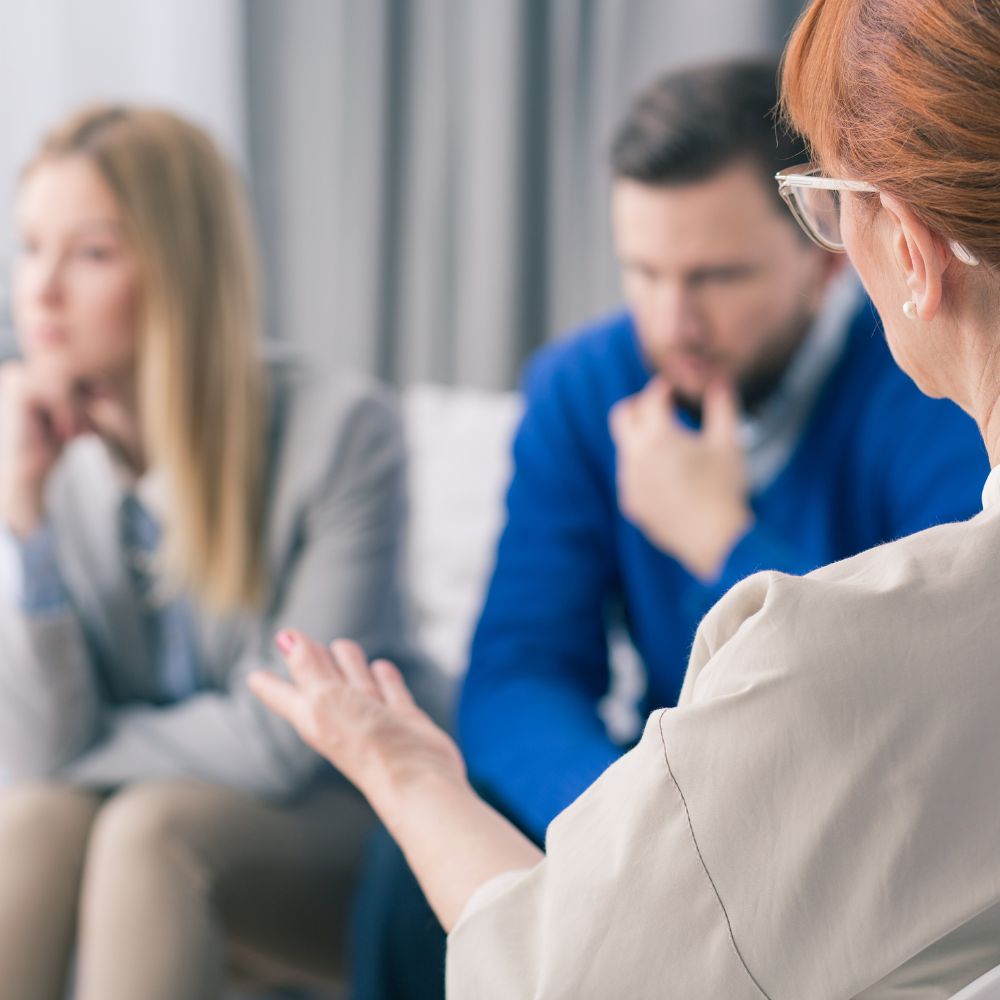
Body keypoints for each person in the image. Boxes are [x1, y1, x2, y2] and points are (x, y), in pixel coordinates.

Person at [252, 1, 1000, 995]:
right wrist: (634, 831)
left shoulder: (925, 387)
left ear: (830, 258)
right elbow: (518, 673)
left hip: (832, 806)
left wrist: (724, 539)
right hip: (671, 788)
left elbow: (902, 680)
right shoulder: (584, 388)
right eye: (643, 273)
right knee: (404, 878)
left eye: (715, 277)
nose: (672, 320)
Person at [0, 105, 429, 1000]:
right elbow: (36, 751)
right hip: (155, 798)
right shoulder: (40, 452)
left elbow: (283, 739)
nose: (39, 290)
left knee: (149, 830)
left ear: (181, 270)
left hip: (350, 823)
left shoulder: (341, 433)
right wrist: (24, 519)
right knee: (33, 821)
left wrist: (94, 748)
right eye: (31, 247)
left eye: (90, 254)